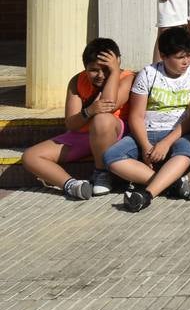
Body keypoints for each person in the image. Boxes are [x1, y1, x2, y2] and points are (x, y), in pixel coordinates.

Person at [105, 26, 190, 213]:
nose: (186, 61)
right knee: (112, 156)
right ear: (163, 55)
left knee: (185, 153)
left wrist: (166, 143)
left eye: (188, 55)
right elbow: (136, 116)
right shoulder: (148, 73)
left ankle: (147, 194)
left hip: (180, 133)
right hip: (148, 132)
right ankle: (171, 183)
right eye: (179, 57)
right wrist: (145, 146)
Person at [21, 38, 133, 200]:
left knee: (101, 119)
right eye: (94, 70)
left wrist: (115, 72)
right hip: (83, 136)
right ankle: (73, 185)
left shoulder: (127, 77)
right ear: (85, 68)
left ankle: (102, 173)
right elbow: (71, 124)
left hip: (111, 136)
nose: (100, 75)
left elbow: (109, 104)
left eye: (106, 69)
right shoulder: (77, 81)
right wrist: (88, 111)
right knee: (30, 156)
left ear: (117, 62)